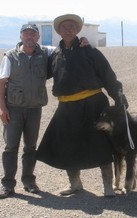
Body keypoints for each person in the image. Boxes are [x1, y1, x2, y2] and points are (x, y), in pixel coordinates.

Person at [36, 14, 128, 197]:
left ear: (77, 30)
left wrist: (118, 96)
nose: (68, 29)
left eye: (72, 27)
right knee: (68, 145)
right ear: (59, 32)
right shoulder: (55, 55)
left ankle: (108, 186)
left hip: (93, 105)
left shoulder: (90, 51)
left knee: (101, 145)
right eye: (64, 27)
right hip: (67, 108)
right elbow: (38, 70)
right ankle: (75, 184)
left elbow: (108, 76)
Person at [0, 23, 88, 199]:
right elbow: (1, 84)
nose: (29, 37)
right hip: (14, 109)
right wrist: (2, 108)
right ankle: (7, 185)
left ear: (38, 37)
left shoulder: (46, 53)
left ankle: (29, 181)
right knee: (10, 147)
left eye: (33, 34)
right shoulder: (10, 56)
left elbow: (65, 46)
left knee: (31, 147)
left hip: (34, 109)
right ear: (20, 36)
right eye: (26, 34)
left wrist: (82, 41)